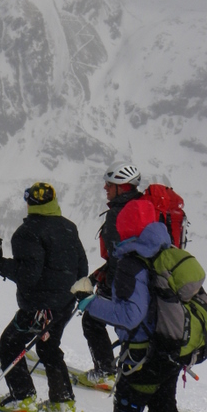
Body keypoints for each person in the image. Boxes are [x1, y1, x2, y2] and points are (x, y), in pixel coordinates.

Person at [77, 196, 195, 412]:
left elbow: (130, 315)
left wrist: (88, 302)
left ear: (125, 227)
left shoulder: (132, 263)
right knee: (164, 409)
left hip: (145, 354)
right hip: (171, 349)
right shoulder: (167, 252)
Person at [0, 182, 88, 412]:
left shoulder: (27, 232)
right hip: (65, 303)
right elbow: (82, 267)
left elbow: (29, 275)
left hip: (38, 305)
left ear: (29, 203)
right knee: (49, 347)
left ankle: (23, 397)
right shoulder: (69, 227)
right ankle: (62, 402)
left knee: (9, 345)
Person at [73, 162, 144, 391]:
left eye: (109, 184)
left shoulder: (118, 214)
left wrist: (104, 284)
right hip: (142, 283)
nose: (105, 187)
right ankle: (131, 373)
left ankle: (106, 371)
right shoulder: (143, 208)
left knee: (93, 319)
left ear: (122, 187)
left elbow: (118, 256)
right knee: (133, 330)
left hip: (123, 283)